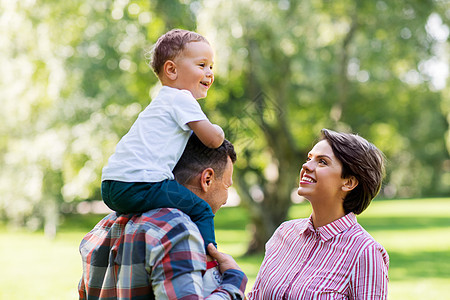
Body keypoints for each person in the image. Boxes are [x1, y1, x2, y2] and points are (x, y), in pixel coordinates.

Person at [79, 134, 248, 299]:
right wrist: (233, 282)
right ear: (207, 179)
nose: (226, 200)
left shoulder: (102, 229)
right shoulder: (177, 230)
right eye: (227, 185)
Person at [101, 29, 224, 251]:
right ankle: (211, 257)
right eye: (202, 65)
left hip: (112, 183)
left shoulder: (161, 102)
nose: (209, 73)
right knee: (202, 209)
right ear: (171, 70)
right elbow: (213, 140)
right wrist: (219, 131)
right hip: (141, 183)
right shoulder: (181, 98)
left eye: (211, 67)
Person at [248, 129, 389, 299]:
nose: (306, 166)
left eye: (322, 162)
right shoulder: (284, 233)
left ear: (349, 182)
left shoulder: (365, 252)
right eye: (309, 158)